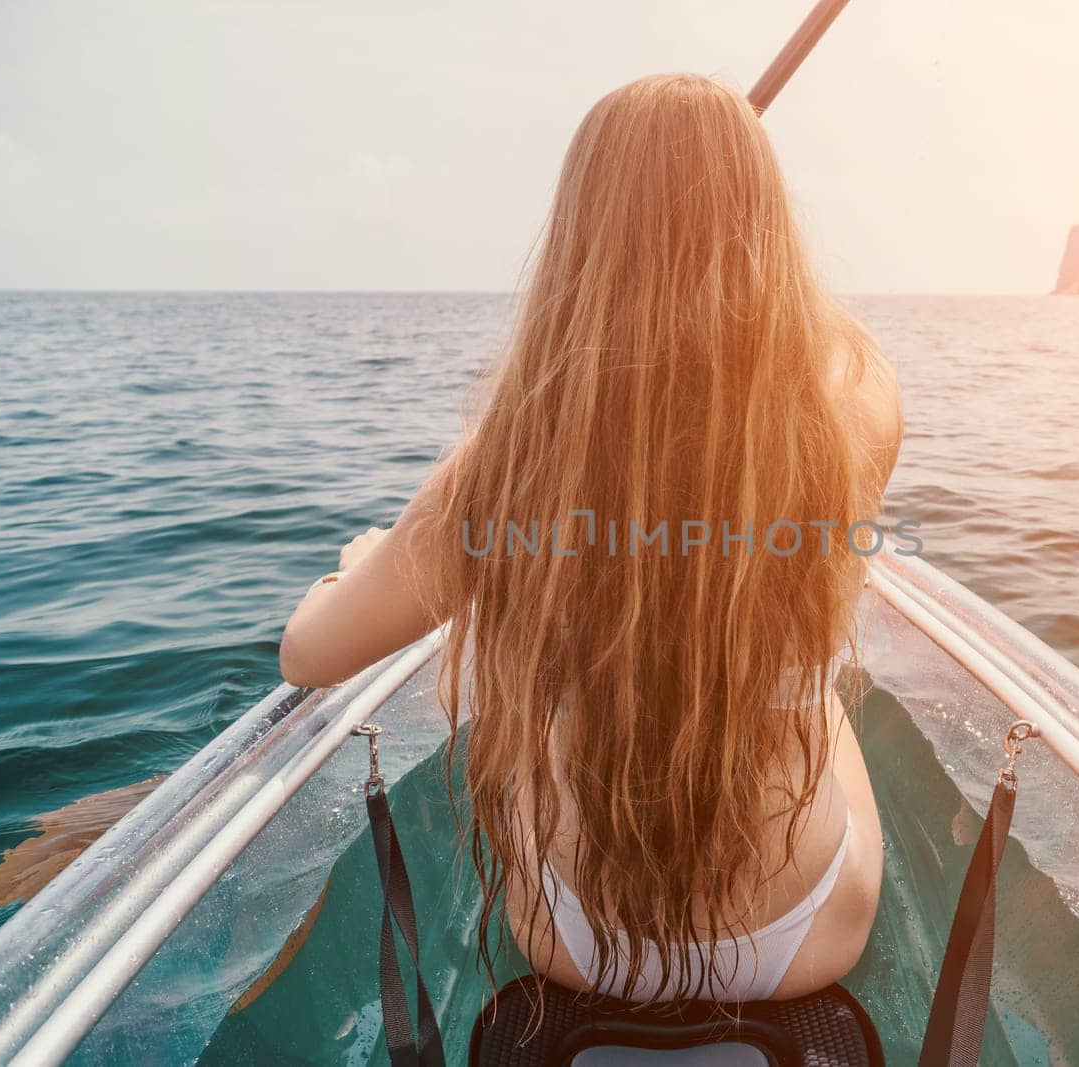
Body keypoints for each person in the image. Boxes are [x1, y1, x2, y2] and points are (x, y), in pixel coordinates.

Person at [280, 73, 901, 1005]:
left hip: (578, 939)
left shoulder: (510, 462)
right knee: (819, 698)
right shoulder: (851, 418)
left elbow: (308, 654)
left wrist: (360, 566)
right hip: (810, 927)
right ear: (769, 228)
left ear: (578, 239)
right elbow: (828, 356)